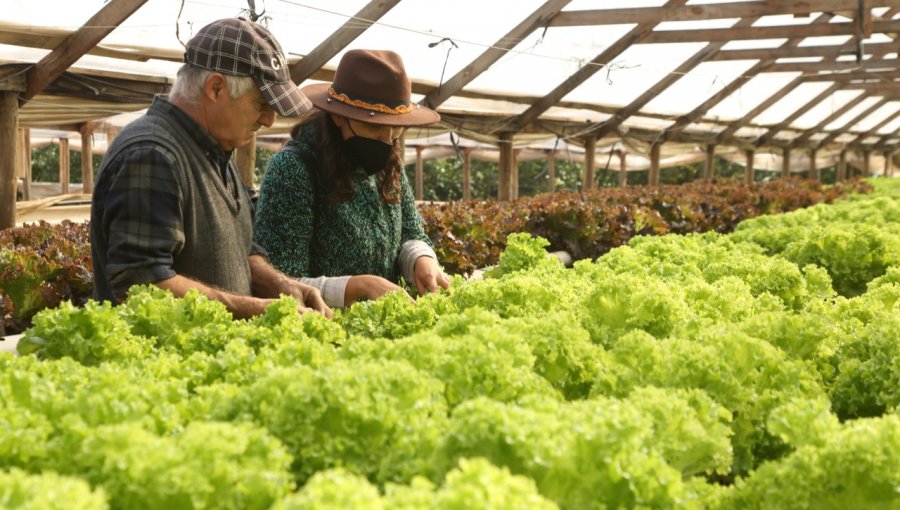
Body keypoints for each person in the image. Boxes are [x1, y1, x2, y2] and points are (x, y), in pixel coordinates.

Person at [91, 18, 332, 319]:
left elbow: (241, 248)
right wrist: (252, 308)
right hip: (169, 365)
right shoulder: (152, 155)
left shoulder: (215, 150)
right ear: (216, 88)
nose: (269, 120)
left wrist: (279, 283)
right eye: (262, 104)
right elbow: (141, 285)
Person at [253, 49, 449, 308]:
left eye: (396, 126)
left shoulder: (387, 165)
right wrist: (355, 287)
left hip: (380, 332)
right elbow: (278, 281)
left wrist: (421, 258)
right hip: (324, 335)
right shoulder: (294, 169)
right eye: (374, 125)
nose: (387, 138)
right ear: (338, 116)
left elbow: (411, 233)